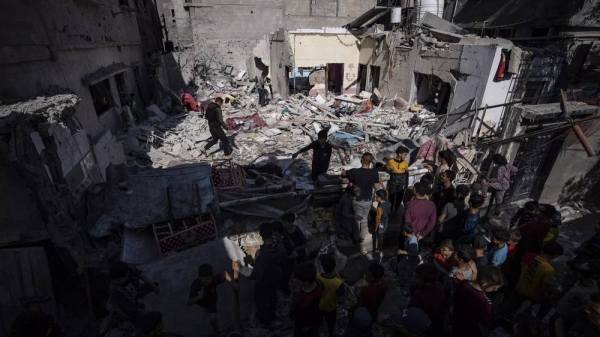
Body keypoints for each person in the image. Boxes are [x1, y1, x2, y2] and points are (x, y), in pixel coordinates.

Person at [233, 223, 285, 328]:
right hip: (275, 280)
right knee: (273, 298)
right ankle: (272, 317)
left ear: (260, 234)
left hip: (263, 283)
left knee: (262, 303)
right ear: (272, 233)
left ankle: (265, 323)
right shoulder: (280, 248)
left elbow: (256, 275)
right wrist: (253, 263)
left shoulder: (262, 254)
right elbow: (274, 264)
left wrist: (240, 268)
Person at [507, 241, 564, 319]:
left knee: (510, 310)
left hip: (519, 288)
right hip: (532, 296)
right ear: (555, 256)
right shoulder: (549, 270)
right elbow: (544, 287)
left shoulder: (530, 257)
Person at [341, 153, 382, 247]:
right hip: (368, 200)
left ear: (361, 160)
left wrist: (344, 172)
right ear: (371, 162)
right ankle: (362, 236)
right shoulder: (374, 172)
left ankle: (356, 237)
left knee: (357, 219)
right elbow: (376, 187)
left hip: (357, 200)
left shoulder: (355, 171)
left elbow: (343, 174)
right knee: (364, 219)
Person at [451, 267, 505, 337]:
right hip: (469, 331)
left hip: (455, 322)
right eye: (494, 288)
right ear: (485, 283)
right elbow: (484, 325)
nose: (495, 290)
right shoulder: (485, 303)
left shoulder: (464, 283)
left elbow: (454, 299)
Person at [187, 264, 235, 337]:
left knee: (213, 319)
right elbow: (189, 303)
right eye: (206, 279)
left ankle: (216, 334)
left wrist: (233, 283)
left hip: (212, 300)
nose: (209, 281)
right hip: (202, 302)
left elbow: (225, 274)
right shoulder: (195, 285)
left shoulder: (213, 280)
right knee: (205, 311)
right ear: (200, 278)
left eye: (210, 278)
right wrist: (198, 297)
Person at [109, 261, 160, 325]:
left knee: (154, 285)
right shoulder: (113, 289)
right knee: (139, 320)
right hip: (130, 306)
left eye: (127, 276)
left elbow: (140, 276)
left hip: (135, 292)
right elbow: (114, 303)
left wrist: (153, 285)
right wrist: (122, 314)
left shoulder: (128, 271)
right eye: (124, 277)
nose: (127, 278)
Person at [556, 259, 600, 325]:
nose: (568, 272)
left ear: (578, 275)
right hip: (560, 310)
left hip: (564, 316)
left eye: (571, 271)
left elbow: (584, 309)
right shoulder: (583, 282)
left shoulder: (586, 293)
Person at [408, 263, 446, 337]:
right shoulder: (438, 284)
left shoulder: (419, 296)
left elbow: (412, 313)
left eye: (417, 278)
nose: (413, 278)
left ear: (428, 283)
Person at [290, 261, 324, 337]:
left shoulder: (303, 300)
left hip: (303, 326)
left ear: (306, 283)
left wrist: (293, 290)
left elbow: (293, 303)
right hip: (314, 321)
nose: (295, 280)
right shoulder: (319, 284)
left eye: (297, 279)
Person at [317, 254, 345, 337]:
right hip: (330, 308)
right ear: (335, 264)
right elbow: (341, 301)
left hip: (319, 305)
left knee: (318, 319)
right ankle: (331, 334)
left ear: (322, 266)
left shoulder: (317, 277)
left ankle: (317, 328)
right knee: (331, 324)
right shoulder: (339, 283)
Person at [482, 154, 518, 218]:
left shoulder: (500, 168)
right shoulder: (508, 165)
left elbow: (498, 179)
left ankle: (484, 197)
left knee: (485, 183)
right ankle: (496, 214)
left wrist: (488, 180)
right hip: (506, 184)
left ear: (496, 161)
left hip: (501, 185)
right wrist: (509, 176)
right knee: (499, 200)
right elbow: (516, 169)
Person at [272, 221, 297, 296]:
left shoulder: (284, 240)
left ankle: (288, 296)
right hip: (285, 265)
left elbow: (295, 255)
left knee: (286, 282)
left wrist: (283, 257)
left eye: (272, 231)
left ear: (276, 232)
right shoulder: (281, 237)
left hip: (289, 265)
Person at [397, 223, 421, 296]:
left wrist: (403, 252)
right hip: (407, 258)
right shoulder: (410, 236)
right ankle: (401, 281)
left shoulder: (412, 241)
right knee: (400, 266)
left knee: (409, 275)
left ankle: (406, 289)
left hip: (412, 260)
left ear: (404, 232)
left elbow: (416, 254)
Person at [386, 146, 410, 213]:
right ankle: (390, 210)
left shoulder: (405, 163)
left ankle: (396, 209)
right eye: (405, 154)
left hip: (402, 182)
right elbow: (387, 168)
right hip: (393, 182)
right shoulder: (391, 161)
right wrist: (390, 170)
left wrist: (406, 183)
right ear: (399, 154)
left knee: (400, 196)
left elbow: (407, 173)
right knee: (392, 196)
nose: (406, 156)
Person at [374, 189, 391, 255]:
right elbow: (386, 192)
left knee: (380, 236)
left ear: (380, 198)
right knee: (383, 233)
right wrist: (382, 184)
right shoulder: (387, 202)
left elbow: (378, 219)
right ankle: (383, 246)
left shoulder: (380, 208)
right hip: (386, 221)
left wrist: (376, 228)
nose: (375, 197)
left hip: (381, 223)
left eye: (376, 196)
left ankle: (379, 249)